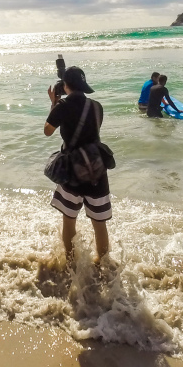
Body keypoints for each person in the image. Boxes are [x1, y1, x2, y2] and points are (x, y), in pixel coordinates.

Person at [44, 66, 111, 263]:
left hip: (72, 170)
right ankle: (104, 264)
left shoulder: (62, 107)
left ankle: (71, 263)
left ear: (65, 86)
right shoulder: (97, 106)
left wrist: (54, 105)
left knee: (69, 220)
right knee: (99, 223)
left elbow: (48, 131)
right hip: (97, 169)